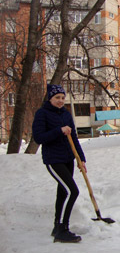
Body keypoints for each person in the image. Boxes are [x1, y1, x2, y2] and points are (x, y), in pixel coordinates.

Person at [32, 84, 86, 243]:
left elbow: (74, 138)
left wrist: (81, 159)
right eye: (57, 98)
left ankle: (57, 226)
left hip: (68, 158)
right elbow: (39, 138)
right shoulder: (42, 114)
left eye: (63, 97)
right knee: (72, 191)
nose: (61, 100)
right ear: (50, 98)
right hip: (54, 160)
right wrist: (59, 131)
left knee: (63, 192)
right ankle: (62, 229)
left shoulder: (66, 114)